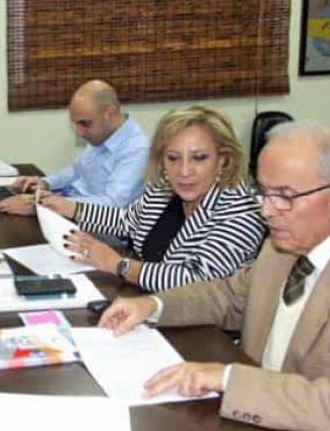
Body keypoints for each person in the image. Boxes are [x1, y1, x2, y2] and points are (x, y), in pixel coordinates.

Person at [98, 121, 330, 431]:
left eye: (284, 196)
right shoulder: (285, 244)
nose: (266, 211)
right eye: (263, 192)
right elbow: (229, 296)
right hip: (258, 429)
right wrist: (153, 305)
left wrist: (227, 378)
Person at [47, 105, 265, 292]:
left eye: (199, 158)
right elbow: (128, 222)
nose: (184, 171)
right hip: (150, 304)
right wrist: (71, 209)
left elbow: (196, 279)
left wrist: (118, 265)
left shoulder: (242, 212)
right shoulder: (165, 188)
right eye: (173, 158)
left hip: (202, 325)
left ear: (223, 159)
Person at [0, 80, 149, 216]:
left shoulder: (137, 148)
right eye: (76, 124)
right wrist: (45, 183)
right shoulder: (102, 134)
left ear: (109, 113)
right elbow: (76, 170)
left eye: (84, 123)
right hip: (69, 207)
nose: (79, 133)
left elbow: (112, 205)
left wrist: (45, 203)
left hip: (95, 226)